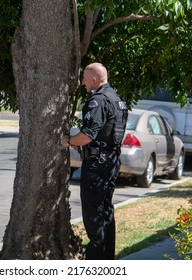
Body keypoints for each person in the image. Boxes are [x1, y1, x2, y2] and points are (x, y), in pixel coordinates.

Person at [61, 62, 128, 260]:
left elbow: (88, 135)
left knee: (94, 217)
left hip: (97, 165)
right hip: (111, 162)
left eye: (84, 78)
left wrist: (69, 141)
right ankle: (107, 260)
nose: (82, 82)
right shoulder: (117, 99)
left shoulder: (97, 101)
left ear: (93, 79)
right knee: (106, 213)